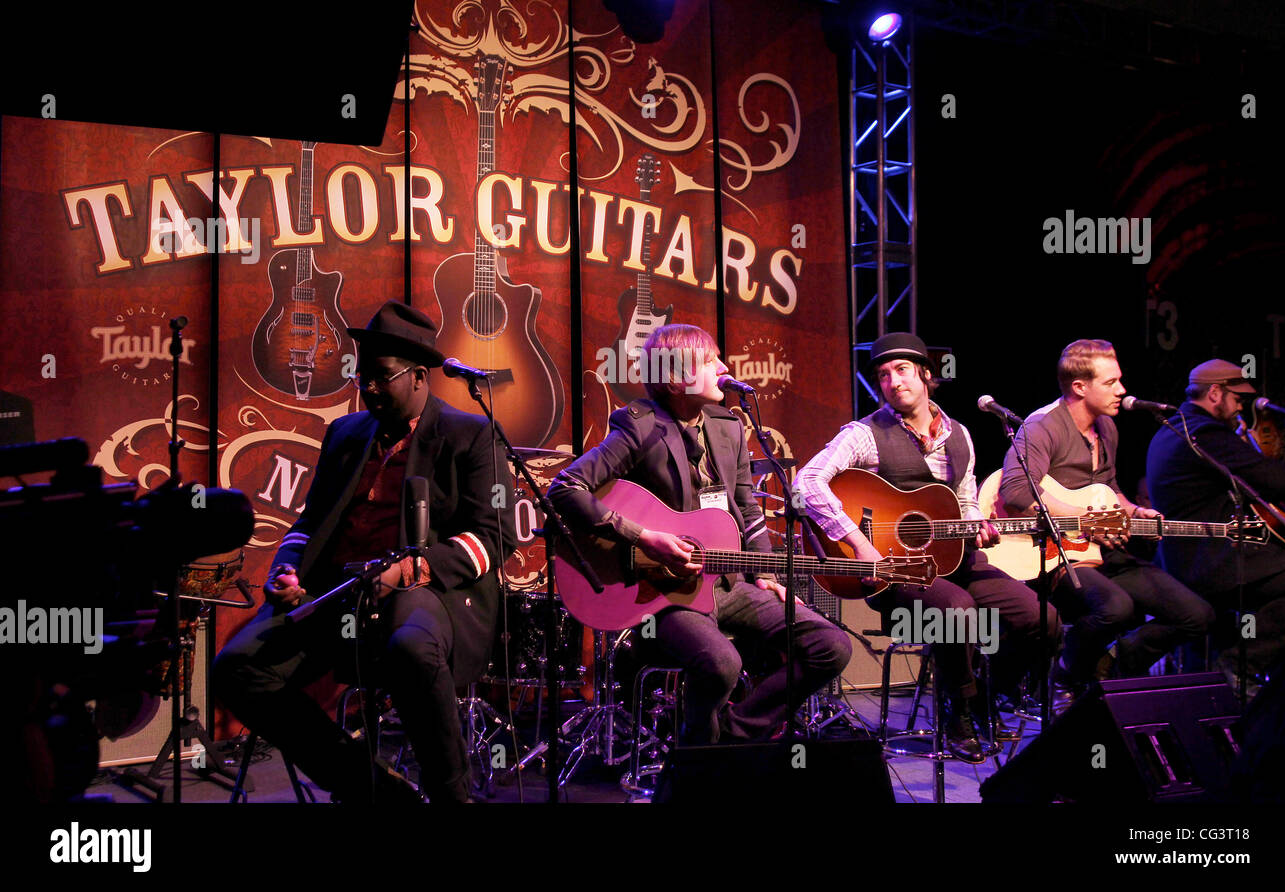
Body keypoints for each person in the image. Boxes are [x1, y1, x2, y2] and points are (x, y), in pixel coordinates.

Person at [212, 301, 514, 803]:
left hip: (427, 591)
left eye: (381, 377)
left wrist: (408, 570)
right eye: (362, 375)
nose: (367, 387)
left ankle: (451, 797)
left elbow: (494, 535)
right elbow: (311, 521)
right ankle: (367, 786)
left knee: (411, 649)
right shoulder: (345, 434)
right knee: (237, 667)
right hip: (338, 591)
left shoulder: (470, 435)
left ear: (419, 377)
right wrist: (286, 568)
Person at [548, 323, 851, 745]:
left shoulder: (728, 427)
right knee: (721, 663)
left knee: (831, 646)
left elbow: (747, 508)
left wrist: (768, 575)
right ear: (674, 379)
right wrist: (643, 537)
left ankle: (730, 737)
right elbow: (564, 488)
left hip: (728, 581)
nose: (724, 368)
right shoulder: (640, 427)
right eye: (710, 361)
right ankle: (697, 758)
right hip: (662, 594)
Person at [795, 333, 1059, 763]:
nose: (892, 381)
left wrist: (975, 525)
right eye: (882, 375)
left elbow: (966, 499)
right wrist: (862, 547)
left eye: (901, 370)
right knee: (957, 610)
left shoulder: (960, 436)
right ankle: (959, 709)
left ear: (925, 375)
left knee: (1043, 619)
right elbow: (805, 484)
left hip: (954, 558)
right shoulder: (864, 434)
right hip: (895, 571)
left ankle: (991, 699)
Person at [999, 339, 1214, 697]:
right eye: (1111, 382)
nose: (1122, 390)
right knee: (1115, 608)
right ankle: (1064, 672)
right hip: (1059, 556)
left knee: (1197, 615)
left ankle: (1111, 666)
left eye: (1120, 381)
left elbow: (1108, 488)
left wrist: (1133, 511)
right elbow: (1018, 493)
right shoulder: (1042, 426)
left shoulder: (1106, 428)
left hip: (1106, 551)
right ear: (1080, 387)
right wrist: (1086, 519)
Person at [1145, 358, 1285, 692]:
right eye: (1237, 398)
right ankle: (1241, 661)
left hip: (1187, 558)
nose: (1240, 408)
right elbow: (1272, 479)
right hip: (1209, 559)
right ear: (1215, 393)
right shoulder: (1205, 432)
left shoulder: (1175, 427)